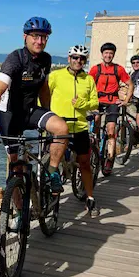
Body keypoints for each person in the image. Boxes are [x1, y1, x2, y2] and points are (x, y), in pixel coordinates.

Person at [0, 16, 69, 194]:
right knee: (16, 169)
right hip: (9, 115)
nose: (40, 41)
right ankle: (20, 214)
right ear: (25, 36)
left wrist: (48, 114)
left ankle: (52, 172)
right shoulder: (15, 59)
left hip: (30, 111)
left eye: (44, 37)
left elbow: (43, 88)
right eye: (35, 36)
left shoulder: (46, 59)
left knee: (61, 128)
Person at [48, 44, 100, 217]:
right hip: (57, 125)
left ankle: (90, 198)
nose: (78, 61)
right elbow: (43, 97)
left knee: (84, 163)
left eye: (82, 58)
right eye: (75, 58)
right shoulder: (55, 75)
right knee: (51, 163)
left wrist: (82, 105)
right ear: (69, 58)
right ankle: (49, 199)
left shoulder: (89, 79)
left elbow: (95, 103)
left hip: (79, 127)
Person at [89, 43, 133, 172]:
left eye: (110, 53)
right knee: (96, 121)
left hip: (113, 101)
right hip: (97, 101)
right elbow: (87, 85)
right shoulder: (95, 69)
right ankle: (95, 147)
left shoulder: (118, 69)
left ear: (113, 55)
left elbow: (130, 84)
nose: (108, 55)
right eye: (106, 53)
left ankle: (109, 159)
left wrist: (126, 100)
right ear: (102, 54)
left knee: (111, 130)